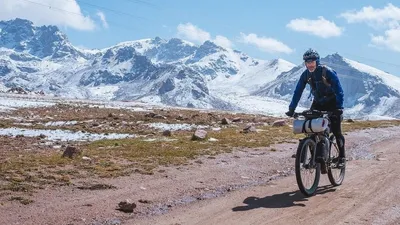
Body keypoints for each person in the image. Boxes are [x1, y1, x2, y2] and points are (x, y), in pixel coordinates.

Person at [285, 48, 346, 168]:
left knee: (337, 131)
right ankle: (315, 156)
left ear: (317, 61)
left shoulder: (327, 72)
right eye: (307, 62)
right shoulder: (305, 75)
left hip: (333, 103)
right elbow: (298, 91)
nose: (310, 65)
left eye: (312, 62)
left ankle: (342, 157)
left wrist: (338, 107)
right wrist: (291, 109)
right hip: (318, 103)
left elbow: (339, 91)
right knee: (311, 128)